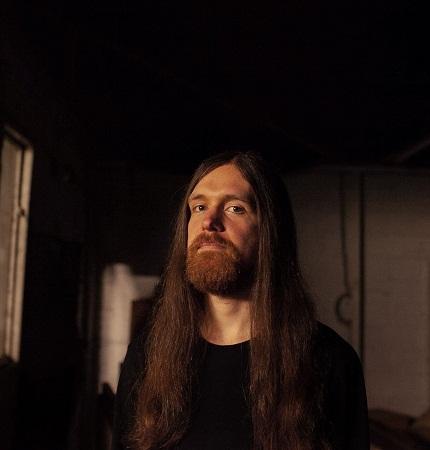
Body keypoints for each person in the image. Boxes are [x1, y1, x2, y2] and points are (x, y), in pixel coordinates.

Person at [112, 151, 369, 450]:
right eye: (199, 207)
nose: (209, 222)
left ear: (270, 231)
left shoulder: (330, 362)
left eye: (235, 208)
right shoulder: (148, 358)